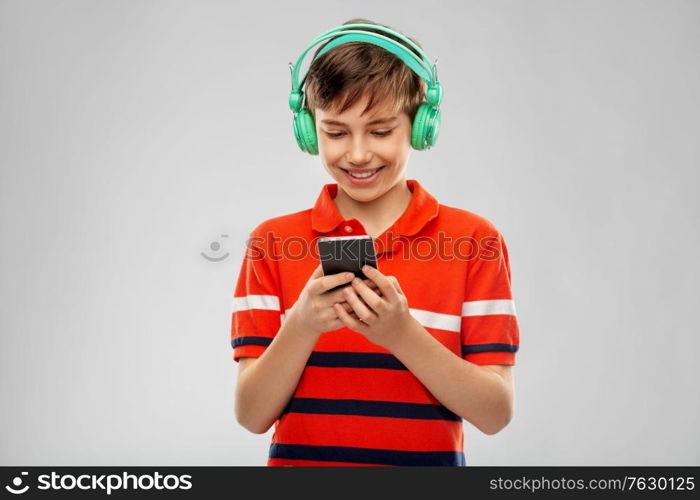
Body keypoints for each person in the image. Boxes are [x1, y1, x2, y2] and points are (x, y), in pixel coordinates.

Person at [230, 18, 520, 466]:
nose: (359, 153)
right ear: (309, 132)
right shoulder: (271, 243)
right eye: (336, 132)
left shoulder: (475, 242)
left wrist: (401, 335)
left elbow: (495, 414)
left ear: (422, 126)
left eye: (381, 131)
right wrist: (302, 325)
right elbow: (251, 416)